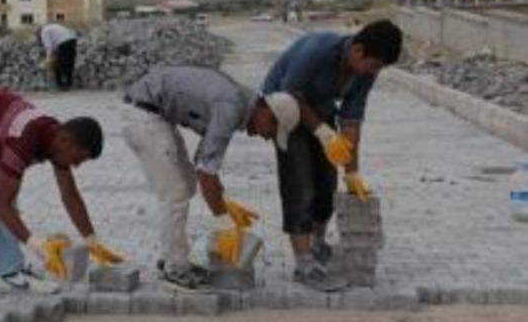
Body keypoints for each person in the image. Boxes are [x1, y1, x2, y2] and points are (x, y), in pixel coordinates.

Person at [0, 85, 124, 301]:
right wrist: (38, 245)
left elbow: (70, 195)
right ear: (66, 141)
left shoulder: (57, 141)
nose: (77, 166)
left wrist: (92, 241)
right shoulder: (23, 140)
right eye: (79, 159)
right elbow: (2, 206)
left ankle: (11, 269)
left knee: (8, 203)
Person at [122, 65, 301, 291]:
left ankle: (171, 258)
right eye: (272, 132)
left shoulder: (240, 103)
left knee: (186, 185)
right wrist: (224, 223)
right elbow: (207, 173)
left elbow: (205, 160)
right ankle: (175, 269)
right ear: (268, 113)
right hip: (142, 114)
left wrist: (223, 201)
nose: (267, 138)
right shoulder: (231, 107)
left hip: (155, 113)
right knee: (175, 193)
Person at [261, 20, 402, 292]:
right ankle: (304, 265)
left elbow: (351, 121)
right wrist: (324, 134)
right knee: (300, 184)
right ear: (358, 50)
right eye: (373, 65)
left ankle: (317, 244)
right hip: (283, 111)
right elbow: (291, 95)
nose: (374, 72)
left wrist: (352, 172)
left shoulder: (364, 72)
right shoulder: (316, 50)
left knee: (326, 182)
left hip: (319, 110)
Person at [37, 23, 78, 90]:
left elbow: (49, 48)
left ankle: (61, 85)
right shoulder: (52, 27)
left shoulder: (44, 32)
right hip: (72, 39)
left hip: (64, 43)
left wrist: (47, 60)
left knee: (59, 64)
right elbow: (55, 46)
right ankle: (69, 83)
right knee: (70, 62)